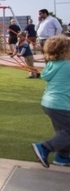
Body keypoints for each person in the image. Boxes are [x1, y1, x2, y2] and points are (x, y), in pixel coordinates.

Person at [31, 35, 70, 168]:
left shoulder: (51, 65)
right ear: (64, 51)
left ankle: (62, 157)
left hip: (49, 103)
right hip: (60, 104)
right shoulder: (66, 66)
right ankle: (44, 147)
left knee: (63, 132)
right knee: (68, 131)